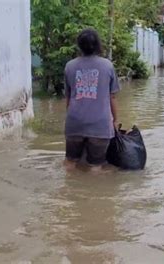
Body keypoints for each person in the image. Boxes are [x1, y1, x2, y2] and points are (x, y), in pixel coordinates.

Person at [64, 29, 120, 170]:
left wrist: (73, 119)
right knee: (96, 167)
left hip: (74, 123)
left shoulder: (69, 66)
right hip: (99, 125)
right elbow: (112, 97)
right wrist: (115, 120)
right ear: (97, 45)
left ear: (79, 45)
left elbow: (68, 98)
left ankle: (68, 190)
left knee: (70, 163)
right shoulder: (107, 66)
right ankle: (92, 191)